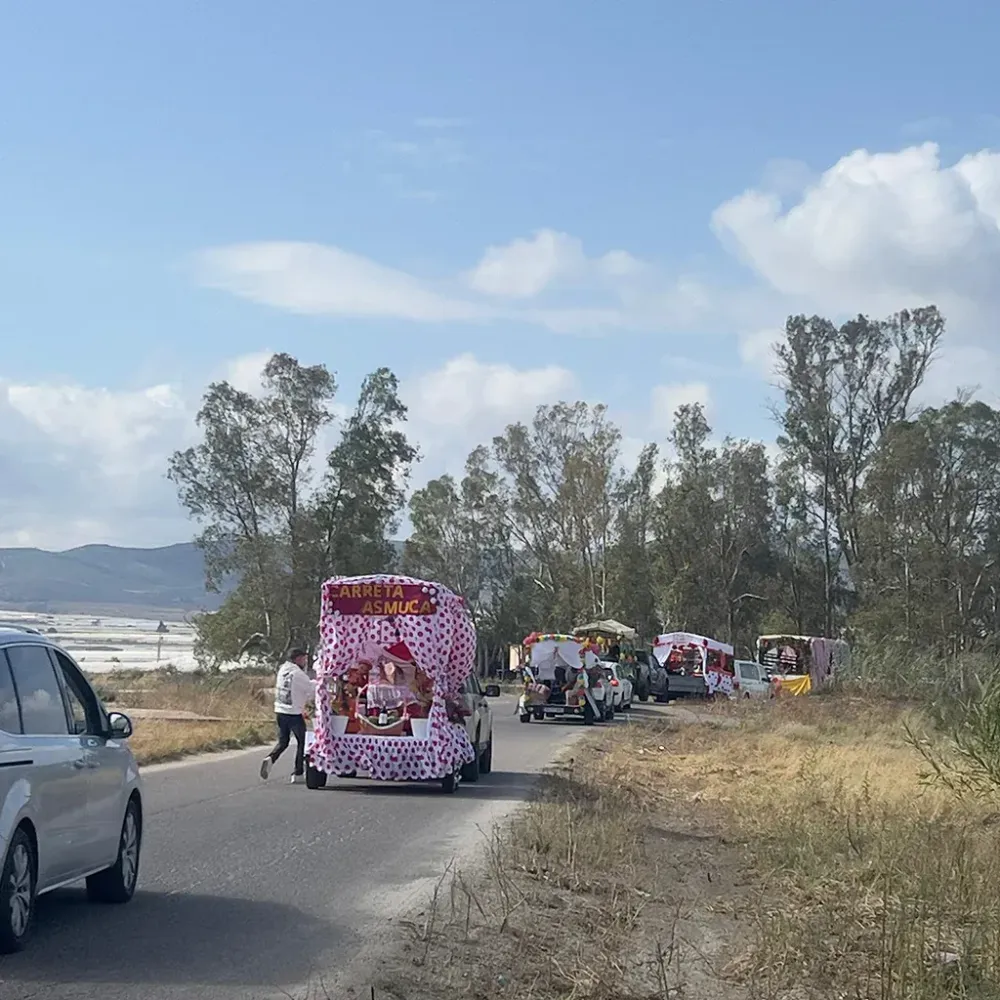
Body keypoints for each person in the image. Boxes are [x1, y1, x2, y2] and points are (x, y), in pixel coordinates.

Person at [260, 647, 316, 784]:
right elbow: (311, 689)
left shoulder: (283, 669)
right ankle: (298, 773)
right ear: (297, 659)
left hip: (280, 711)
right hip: (294, 714)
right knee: (302, 742)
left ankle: (271, 758)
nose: (305, 661)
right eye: (303, 658)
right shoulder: (298, 674)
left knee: (283, 741)